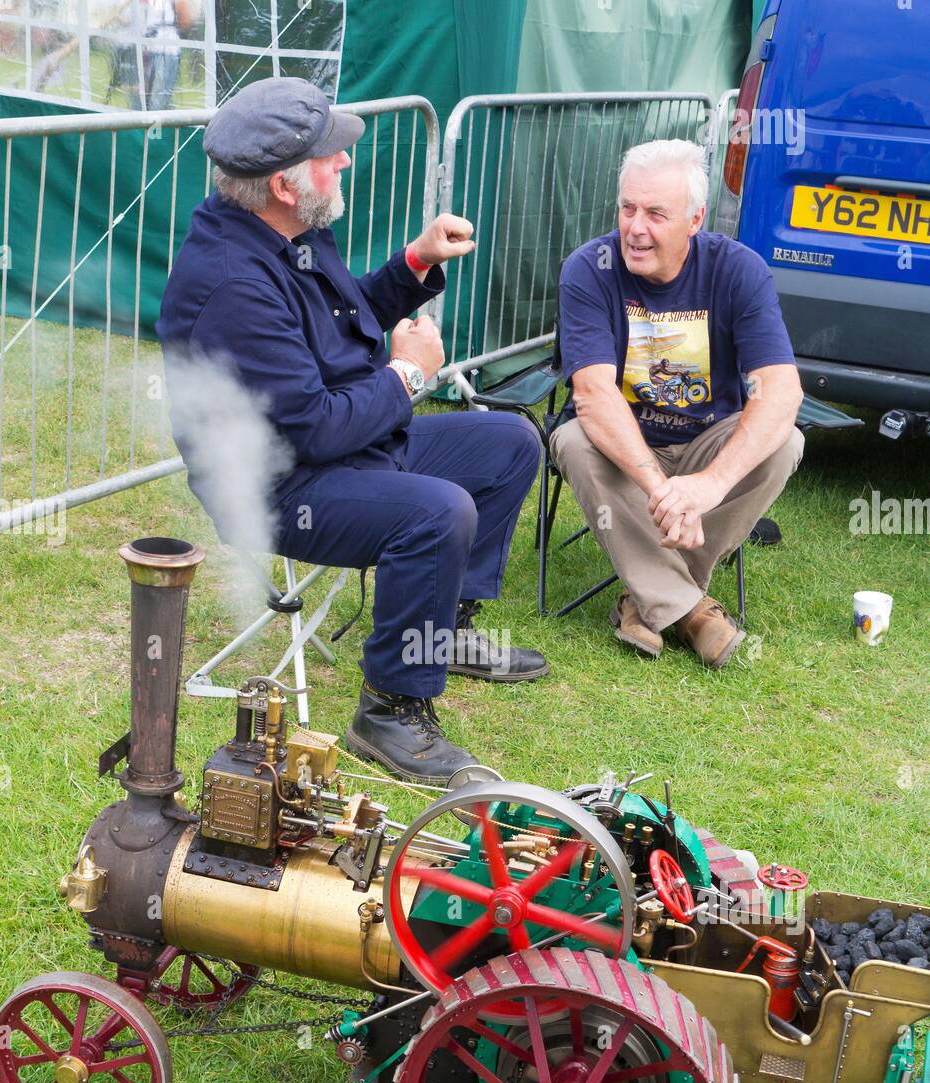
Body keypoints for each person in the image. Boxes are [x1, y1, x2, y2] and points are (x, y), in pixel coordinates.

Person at [157, 78, 547, 783]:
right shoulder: (232, 282)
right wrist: (406, 376)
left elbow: (343, 323)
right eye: (330, 155)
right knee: (439, 510)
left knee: (510, 443)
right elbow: (310, 430)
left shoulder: (288, 232)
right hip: (282, 485)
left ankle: (440, 631)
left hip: (345, 448)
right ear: (283, 183)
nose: (343, 163)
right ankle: (390, 712)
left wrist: (414, 264)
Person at [550, 138, 804, 669]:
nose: (635, 227)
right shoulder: (588, 268)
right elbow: (594, 397)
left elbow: (781, 391)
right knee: (573, 437)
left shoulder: (738, 270)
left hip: (705, 445)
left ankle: (648, 597)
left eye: (655, 214)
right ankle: (692, 611)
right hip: (625, 450)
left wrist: (707, 485)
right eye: (627, 208)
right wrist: (662, 489)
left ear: (695, 219)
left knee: (785, 442)